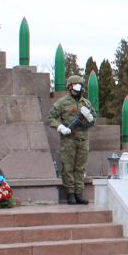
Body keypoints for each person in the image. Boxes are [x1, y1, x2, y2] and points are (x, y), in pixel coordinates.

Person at [47, 74, 96, 204]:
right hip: (68, 139)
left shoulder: (86, 103)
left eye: (79, 85)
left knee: (80, 167)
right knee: (68, 167)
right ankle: (70, 194)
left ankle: (79, 193)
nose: (77, 87)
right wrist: (60, 127)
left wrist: (90, 118)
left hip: (83, 139)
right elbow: (50, 118)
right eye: (75, 85)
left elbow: (93, 120)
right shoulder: (62, 103)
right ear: (69, 87)